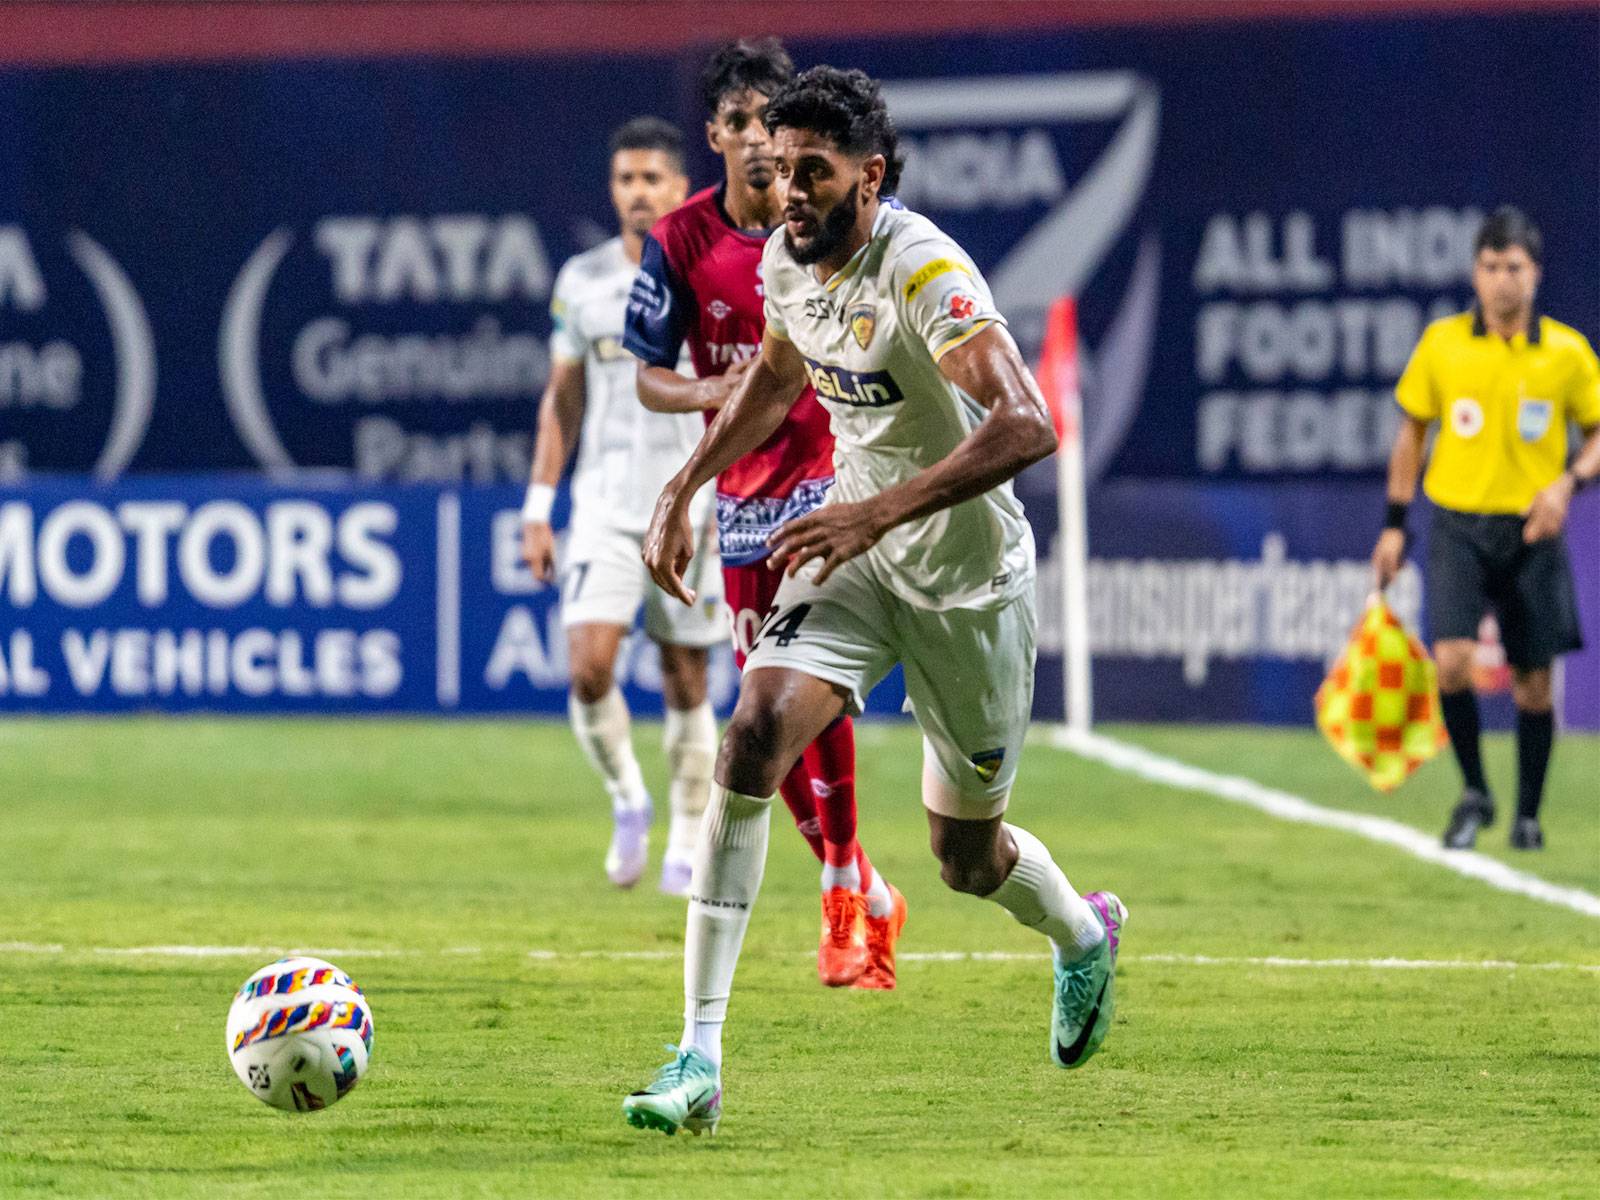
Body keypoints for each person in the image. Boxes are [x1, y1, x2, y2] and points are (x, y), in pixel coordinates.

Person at [622, 67, 1126, 1137]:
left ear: (871, 176)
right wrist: (685, 481)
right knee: (752, 732)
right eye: (781, 168)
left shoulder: (922, 270)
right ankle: (697, 1055)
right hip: (855, 552)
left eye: (815, 172)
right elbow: (773, 373)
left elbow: (1027, 423)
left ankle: (1081, 935)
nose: (790, 191)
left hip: (966, 586)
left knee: (963, 859)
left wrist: (876, 511)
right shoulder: (786, 261)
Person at [623, 39, 904, 990]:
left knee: (802, 681)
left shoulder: (819, 231)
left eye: (767, 126)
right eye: (737, 124)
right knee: (759, 722)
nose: (754, 143)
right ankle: (865, 882)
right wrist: (711, 395)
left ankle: (838, 888)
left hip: (832, 477)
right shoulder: (683, 241)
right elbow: (648, 377)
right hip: (742, 491)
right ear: (715, 134)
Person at [520, 117, 724, 895]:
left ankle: (683, 839)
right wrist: (539, 506)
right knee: (589, 669)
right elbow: (562, 401)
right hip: (602, 505)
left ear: (680, 187)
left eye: (651, 180)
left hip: (690, 504)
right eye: (625, 180)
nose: (637, 194)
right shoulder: (583, 281)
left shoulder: (710, 273)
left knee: (685, 676)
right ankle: (628, 800)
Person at [1373, 206, 1600, 851]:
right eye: (1492, 266)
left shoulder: (1567, 354)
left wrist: (1568, 484)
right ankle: (1475, 789)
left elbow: (1597, 434)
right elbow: (1412, 436)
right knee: (1451, 662)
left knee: (1533, 683)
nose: (1504, 280)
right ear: (1475, 273)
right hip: (1458, 526)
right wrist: (1394, 525)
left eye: (1516, 268)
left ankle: (1528, 814)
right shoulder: (1443, 345)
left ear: (1536, 275)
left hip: (1533, 531)